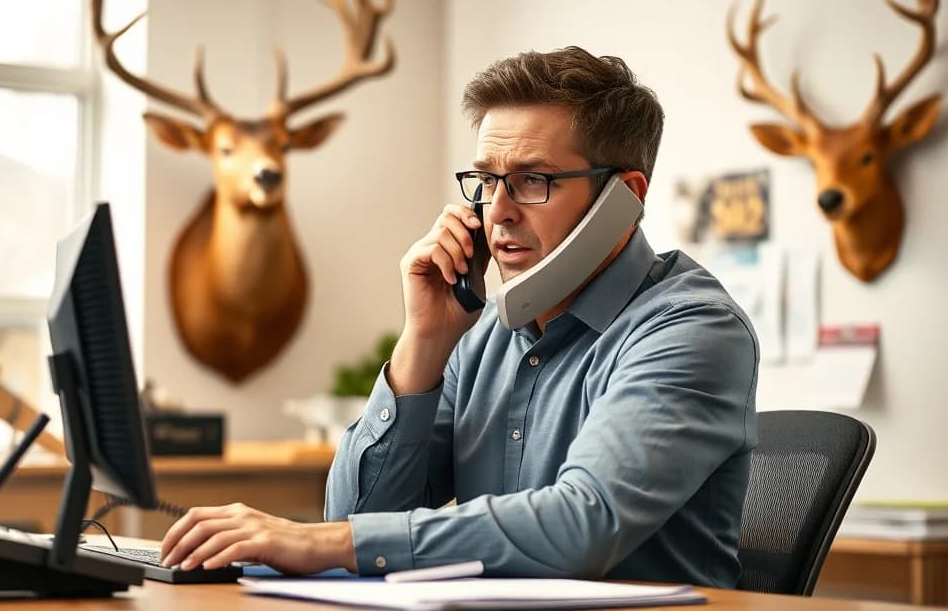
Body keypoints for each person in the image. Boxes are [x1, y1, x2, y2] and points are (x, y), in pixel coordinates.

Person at [157, 47, 759, 588]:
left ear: (625, 195)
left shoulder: (691, 330)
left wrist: (325, 542)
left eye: (532, 181)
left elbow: (583, 525)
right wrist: (423, 340)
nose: (496, 212)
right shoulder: (484, 333)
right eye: (485, 181)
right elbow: (354, 519)